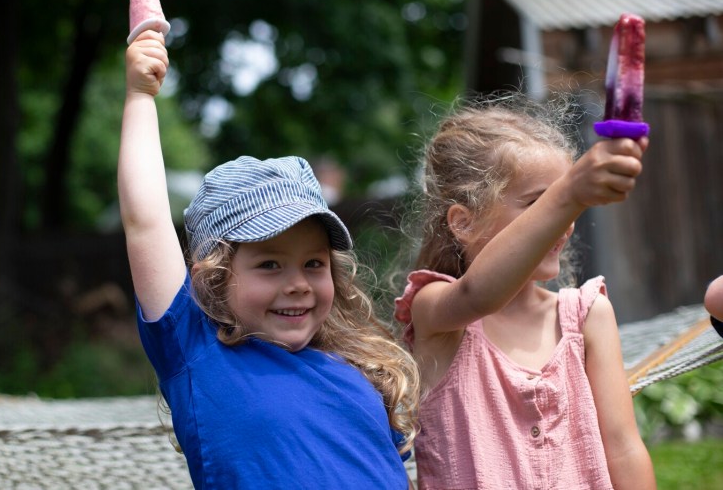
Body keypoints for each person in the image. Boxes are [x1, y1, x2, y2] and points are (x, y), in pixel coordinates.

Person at [119, 30, 419, 489]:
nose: (298, 282)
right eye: (270, 264)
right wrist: (141, 96)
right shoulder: (198, 352)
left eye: (314, 264)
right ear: (214, 279)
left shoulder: (358, 372)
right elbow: (144, 220)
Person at [393, 95, 656, 490]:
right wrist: (569, 192)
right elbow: (479, 295)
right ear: (464, 223)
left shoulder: (587, 316)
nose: (563, 223)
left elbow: (622, 448)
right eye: (540, 204)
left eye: (563, 206)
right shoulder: (436, 312)